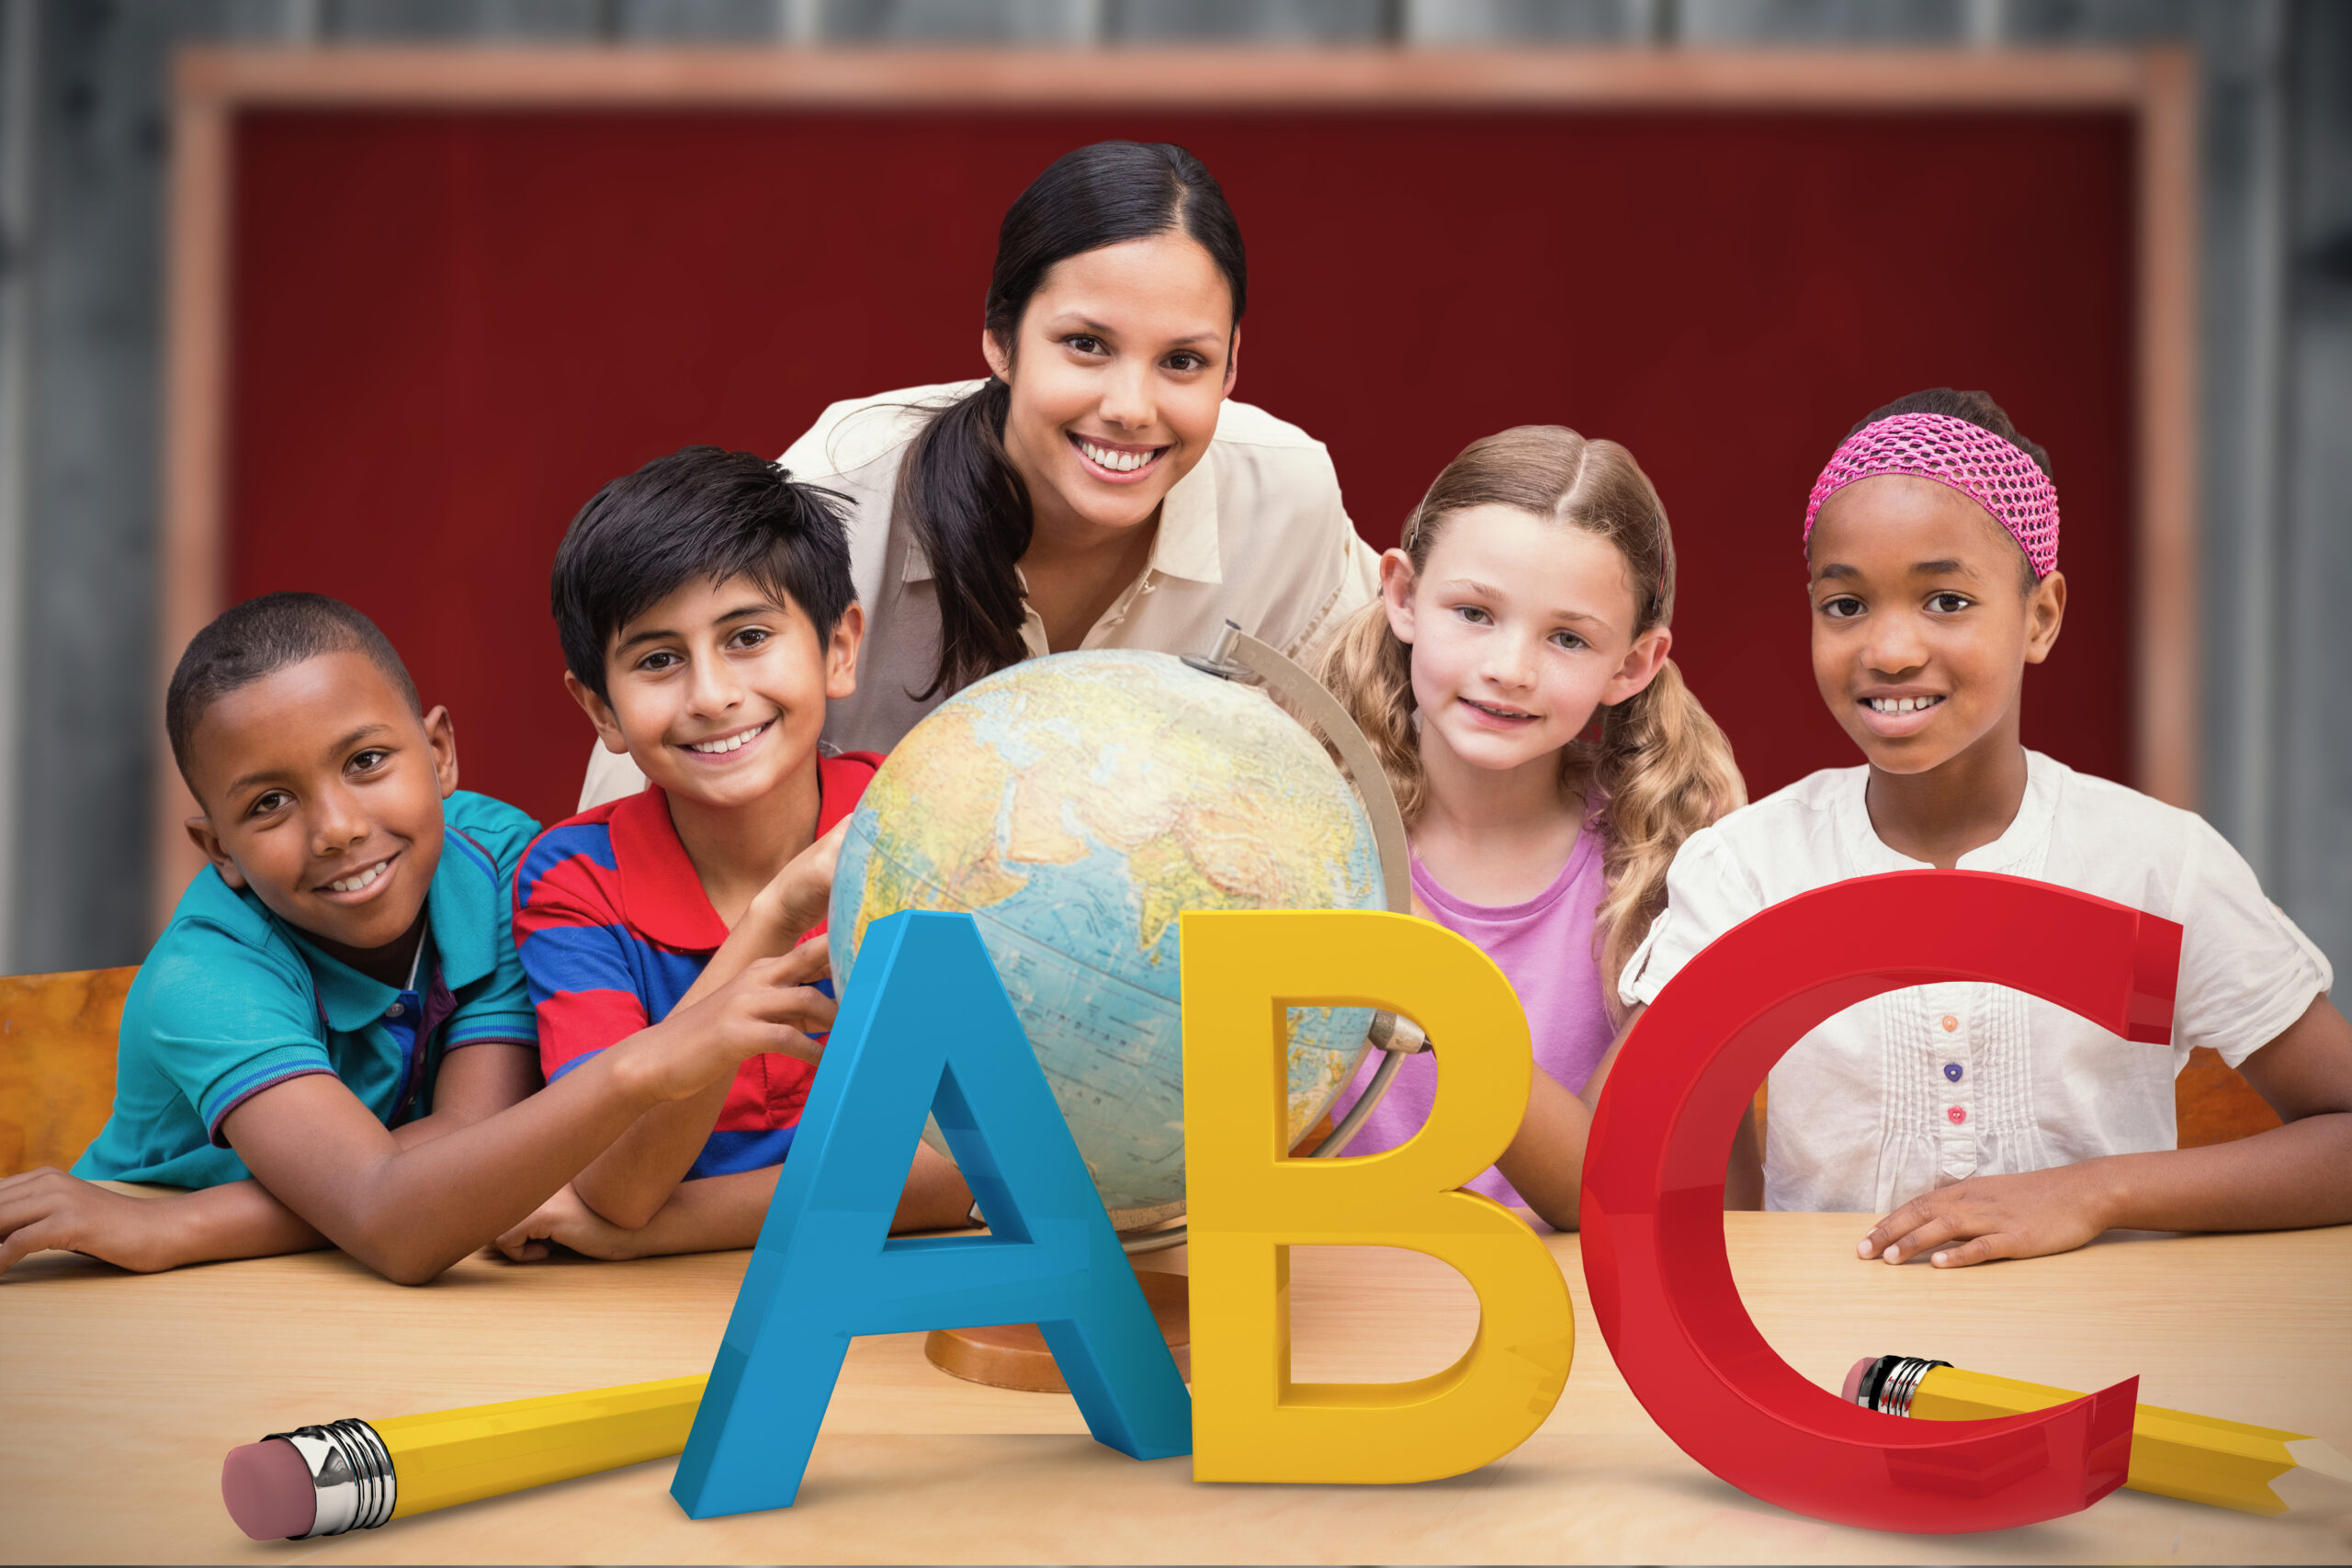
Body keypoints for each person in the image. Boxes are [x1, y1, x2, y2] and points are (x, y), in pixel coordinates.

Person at [1595, 389, 2352, 1265]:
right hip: (1824, 1365)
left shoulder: (2151, 866)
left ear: (2041, 616)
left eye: (1946, 600)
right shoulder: (1750, 870)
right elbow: (1647, 1145)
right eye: (1845, 605)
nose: (1889, 650)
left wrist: (2094, 1192)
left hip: (2106, 1361)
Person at [0, 594, 826, 1284]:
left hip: (344, 1267)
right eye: (267, 805)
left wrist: (203, 1223)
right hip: (166, 1288)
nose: (336, 828)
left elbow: (472, 1140)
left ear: (439, 754)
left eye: (365, 761)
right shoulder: (207, 973)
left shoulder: (501, 861)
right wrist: (169, 1230)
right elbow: (396, 1223)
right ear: (220, 850)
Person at [579, 139, 1376, 808]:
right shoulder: (840, 497)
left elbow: (1390, 747)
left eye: (1184, 361)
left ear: (1233, 368)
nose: (1132, 407)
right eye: (1086, 345)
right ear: (1000, 339)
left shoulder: (1286, 498)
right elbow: (657, 766)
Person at [497, 448, 971, 1266]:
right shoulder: (573, 880)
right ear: (599, 708)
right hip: (626, 1326)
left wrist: (668, 1226)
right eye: (657, 660)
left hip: (903, 1297)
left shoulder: (924, 823)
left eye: (748, 636)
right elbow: (619, 1182)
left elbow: (967, 1170)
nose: (711, 694)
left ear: (839, 648)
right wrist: (774, 914)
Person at [1317, 426, 1745, 1222]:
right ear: (1404, 596)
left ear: (1632, 664)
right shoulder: (1303, 832)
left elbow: (1598, 1187)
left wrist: (1424, 970)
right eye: (1475, 612)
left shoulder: (1662, 862)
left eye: (1568, 637)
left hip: (1570, 1318)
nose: (1511, 668)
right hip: (1331, 1302)